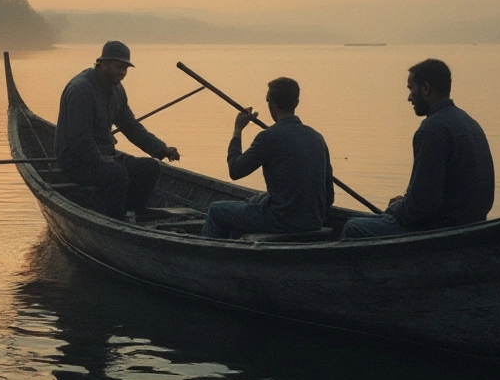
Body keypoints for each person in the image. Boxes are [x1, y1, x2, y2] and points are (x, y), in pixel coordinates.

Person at [342, 58, 495, 239]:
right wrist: (404, 203)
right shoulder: (470, 123)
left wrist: (395, 209)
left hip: (440, 232)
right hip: (472, 226)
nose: (409, 97)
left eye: (410, 89)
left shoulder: (431, 130)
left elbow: (423, 206)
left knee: (353, 227)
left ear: (425, 89)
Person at [55, 41, 181, 220]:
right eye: (118, 67)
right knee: (117, 174)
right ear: (103, 64)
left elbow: (131, 127)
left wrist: (161, 149)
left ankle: (136, 210)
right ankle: (115, 219)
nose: (122, 72)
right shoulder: (81, 90)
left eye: (125, 68)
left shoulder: (117, 90)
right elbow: (79, 137)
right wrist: (98, 159)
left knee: (150, 167)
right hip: (76, 161)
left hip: (104, 156)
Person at [201, 77, 334, 239]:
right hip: (314, 221)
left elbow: (235, 171)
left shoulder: (268, 137)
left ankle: (212, 258)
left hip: (282, 222)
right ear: (296, 102)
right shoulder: (317, 138)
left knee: (216, 211)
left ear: (272, 104)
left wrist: (238, 130)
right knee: (257, 200)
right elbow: (329, 195)